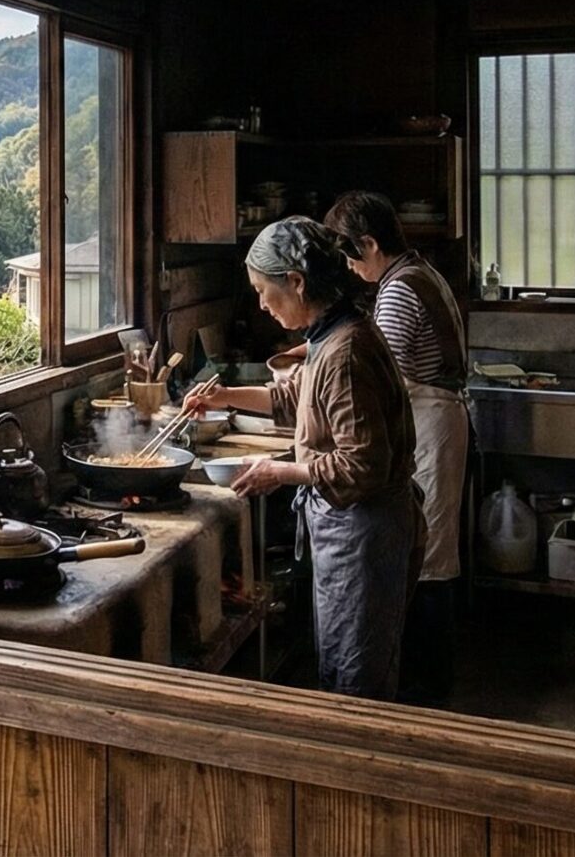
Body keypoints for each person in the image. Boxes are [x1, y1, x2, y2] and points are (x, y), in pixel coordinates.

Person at [185, 217, 417, 700]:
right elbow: (294, 398)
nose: (261, 304)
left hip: (363, 530)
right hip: (350, 526)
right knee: (342, 664)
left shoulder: (345, 351)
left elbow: (362, 465)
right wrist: (223, 396)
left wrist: (280, 472)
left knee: (355, 680)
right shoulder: (329, 334)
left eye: (262, 290)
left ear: (296, 281)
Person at [324, 190, 467, 707]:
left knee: (429, 556)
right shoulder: (416, 271)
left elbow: (378, 369)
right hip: (433, 417)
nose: (348, 267)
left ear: (369, 243)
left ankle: (427, 686)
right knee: (430, 549)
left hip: (429, 421)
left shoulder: (400, 289)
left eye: (349, 254)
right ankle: (426, 677)